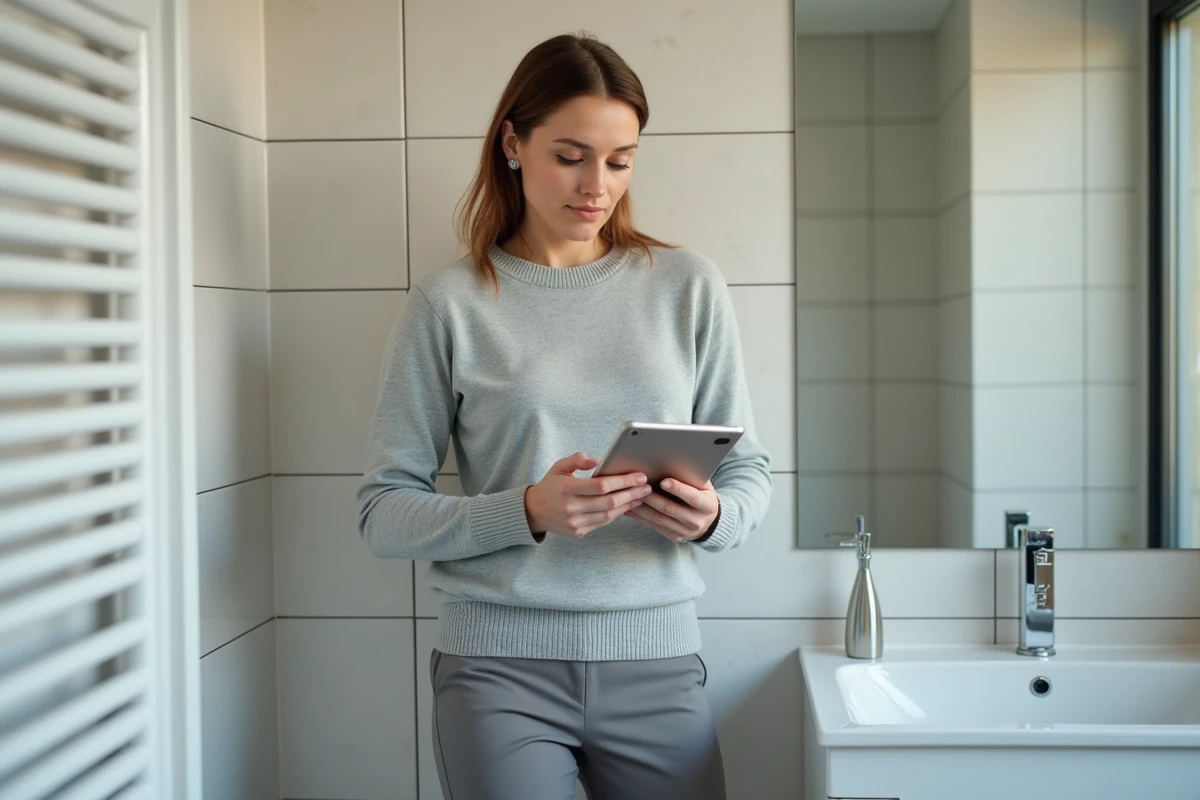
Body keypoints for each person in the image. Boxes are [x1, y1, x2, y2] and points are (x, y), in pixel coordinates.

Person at [356, 31, 772, 800]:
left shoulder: (688, 286)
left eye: (621, 159)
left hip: (657, 662)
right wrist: (525, 512)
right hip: (495, 673)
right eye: (571, 155)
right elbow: (382, 512)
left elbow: (748, 470)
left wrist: (712, 518)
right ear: (513, 143)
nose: (598, 186)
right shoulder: (448, 304)